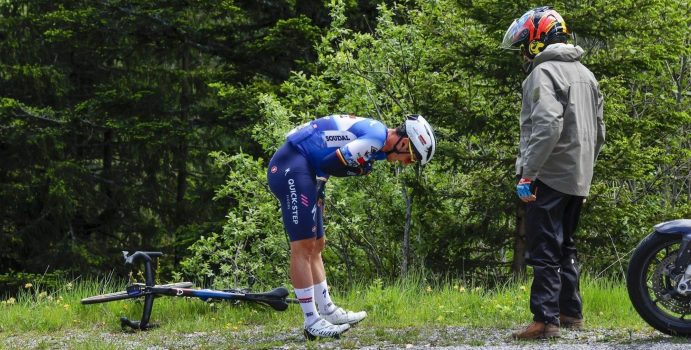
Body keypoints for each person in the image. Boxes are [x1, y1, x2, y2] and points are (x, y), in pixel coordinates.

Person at [267, 114, 436, 339]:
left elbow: (329, 159)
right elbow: (331, 163)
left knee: (317, 244)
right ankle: (311, 321)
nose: (407, 163)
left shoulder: (379, 142)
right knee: (303, 246)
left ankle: (327, 310)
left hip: (309, 170)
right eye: (412, 158)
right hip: (293, 166)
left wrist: (359, 167)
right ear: (404, 143)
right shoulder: (376, 139)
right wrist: (359, 169)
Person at [500, 6, 606, 339]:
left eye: (523, 45)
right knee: (566, 246)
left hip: (549, 172)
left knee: (544, 247)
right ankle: (569, 312)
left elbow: (546, 125)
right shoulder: (586, 75)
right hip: (578, 176)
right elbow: (600, 132)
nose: (522, 52)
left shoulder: (542, 74)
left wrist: (528, 173)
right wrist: (584, 175)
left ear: (536, 40)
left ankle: (545, 320)